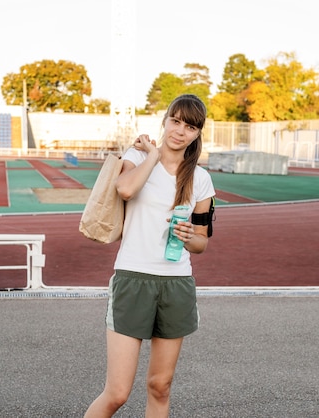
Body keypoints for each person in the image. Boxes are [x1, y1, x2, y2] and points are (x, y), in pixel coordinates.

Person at [84, 94, 216, 417]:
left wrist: (189, 238)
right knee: (117, 393)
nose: (180, 131)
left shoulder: (201, 180)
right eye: (175, 121)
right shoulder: (138, 157)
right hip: (133, 278)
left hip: (176, 285)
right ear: (165, 120)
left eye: (189, 126)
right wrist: (153, 156)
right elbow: (125, 189)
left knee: (160, 386)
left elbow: (202, 242)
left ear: (197, 133)